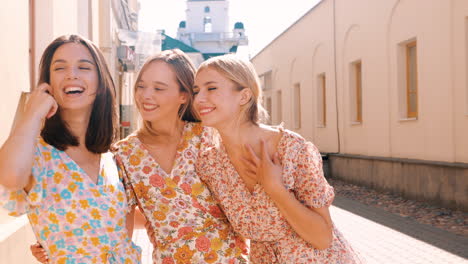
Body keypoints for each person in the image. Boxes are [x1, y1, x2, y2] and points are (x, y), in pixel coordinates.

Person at [193, 55, 362, 263]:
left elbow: (322, 238)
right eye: (196, 91)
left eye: (211, 88)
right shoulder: (211, 164)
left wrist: (275, 188)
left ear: (244, 96)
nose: (199, 99)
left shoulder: (290, 149)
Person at [0, 34, 141, 264]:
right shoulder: (37, 154)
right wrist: (33, 113)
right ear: (48, 83)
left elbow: (123, 226)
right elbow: (9, 178)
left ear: (101, 82)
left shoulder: (112, 159)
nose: (71, 74)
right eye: (59, 68)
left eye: (84, 67)